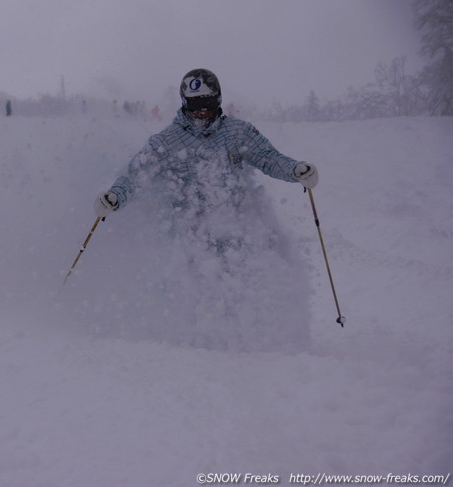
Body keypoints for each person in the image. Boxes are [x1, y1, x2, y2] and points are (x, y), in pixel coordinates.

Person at [92, 68, 318, 350]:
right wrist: (115, 196)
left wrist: (295, 171)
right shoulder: (166, 142)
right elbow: (136, 175)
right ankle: (202, 338)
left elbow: (268, 158)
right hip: (193, 230)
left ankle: (258, 334)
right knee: (205, 284)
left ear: (218, 100)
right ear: (184, 103)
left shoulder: (239, 132)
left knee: (249, 276)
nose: (201, 113)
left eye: (207, 106)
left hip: (238, 223)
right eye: (194, 106)